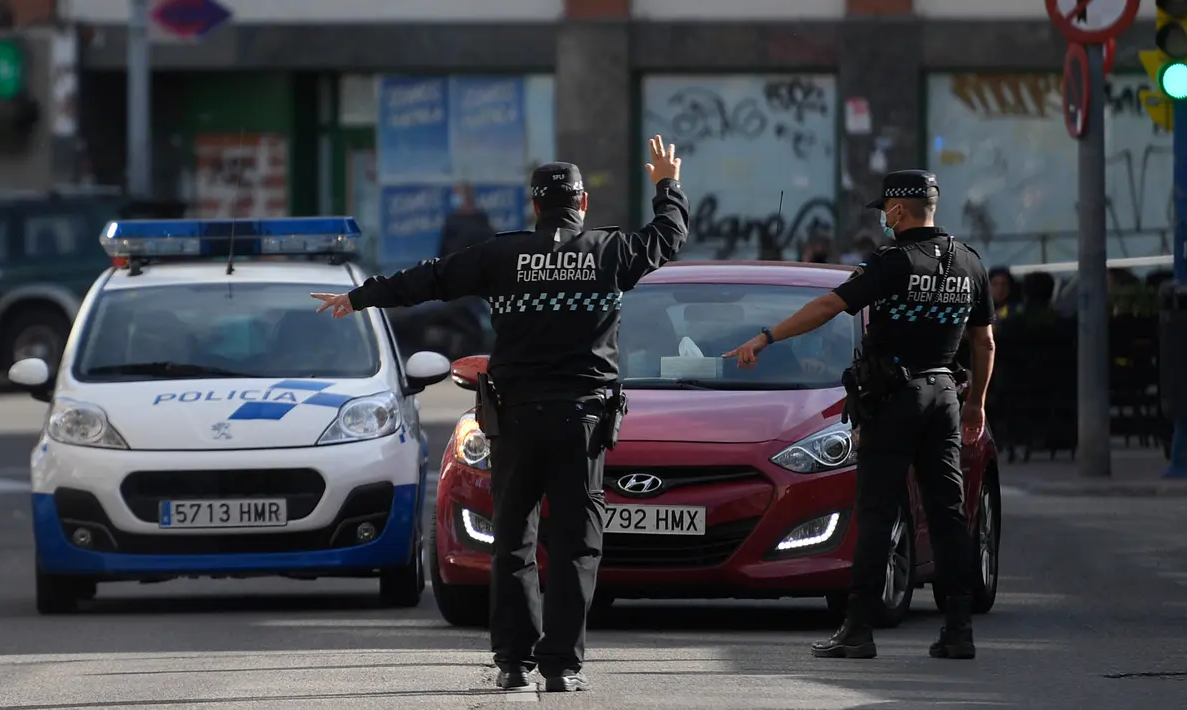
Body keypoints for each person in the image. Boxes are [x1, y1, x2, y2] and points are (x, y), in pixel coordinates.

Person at [311, 135, 690, 692]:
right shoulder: (610, 252)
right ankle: (561, 667)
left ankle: (513, 663)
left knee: (513, 539)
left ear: (534, 206)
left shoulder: (500, 255)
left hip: (514, 421)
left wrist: (362, 296)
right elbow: (669, 237)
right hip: (582, 423)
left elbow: (430, 278)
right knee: (576, 544)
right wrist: (667, 182)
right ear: (582, 204)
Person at [722, 169, 995, 661]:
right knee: (949, 513)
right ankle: (958, 629)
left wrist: (766, 338)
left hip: (896, 398)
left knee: (875, 511)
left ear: (897, 209)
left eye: (884, 209)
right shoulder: (969, 264)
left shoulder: (893, 263)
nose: (883, 218)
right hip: (944, 394)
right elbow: (984, 341)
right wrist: (976, 404)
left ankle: (858, 629)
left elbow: (831, 304)